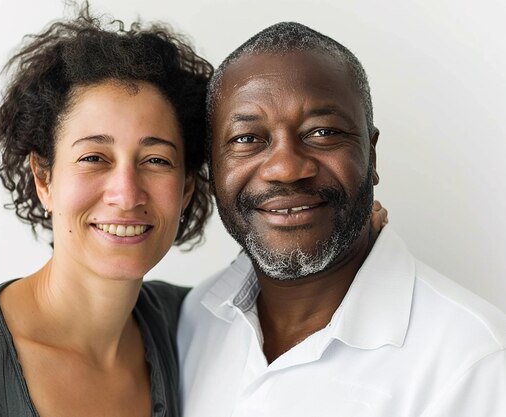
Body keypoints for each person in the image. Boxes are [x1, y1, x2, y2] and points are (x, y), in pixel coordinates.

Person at [0, 7, 214, 416]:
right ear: (44, 177)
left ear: (186, 188)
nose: (127, 194)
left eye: (157, 160)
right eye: (94, 157)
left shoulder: (197, 327)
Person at [178, 22, 506, 416]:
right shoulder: (193, 319)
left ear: (372, 155)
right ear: (212, 172)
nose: (286, 168)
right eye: (247, 139)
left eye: (322, 132)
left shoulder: (475, 360)